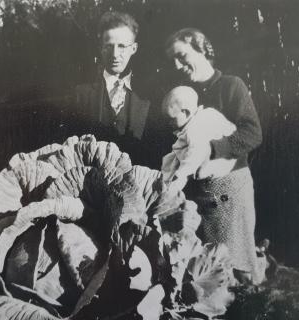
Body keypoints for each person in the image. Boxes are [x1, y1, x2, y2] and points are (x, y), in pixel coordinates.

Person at [165, 28, 263, 283]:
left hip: (231, 188)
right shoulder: (181, 94)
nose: (177, 65)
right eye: (172, 61)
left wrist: (212, 148)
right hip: (199, 190)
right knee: (206, 262)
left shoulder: (231, 86)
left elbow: (253, 134)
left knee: (235, 255)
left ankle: (250, 284)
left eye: (182, 55)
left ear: (201, 48)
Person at [71, 11, 151, 164]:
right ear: (100, 48)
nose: (115, 54)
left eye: (122, 46)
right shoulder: (81, 94)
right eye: (108, 46)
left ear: (133, 49)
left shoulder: (148, 96)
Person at [161, 86, 237, 194]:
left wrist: (180, 174)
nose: (169, 124)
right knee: (175, 157)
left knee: (180, 164)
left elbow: (195, 153)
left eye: (172, 119)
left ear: (186, 112)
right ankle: (166, 184)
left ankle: (167, 190)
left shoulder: (195, 128)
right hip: (222, 162)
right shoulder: (208, 113)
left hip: (216, 173)